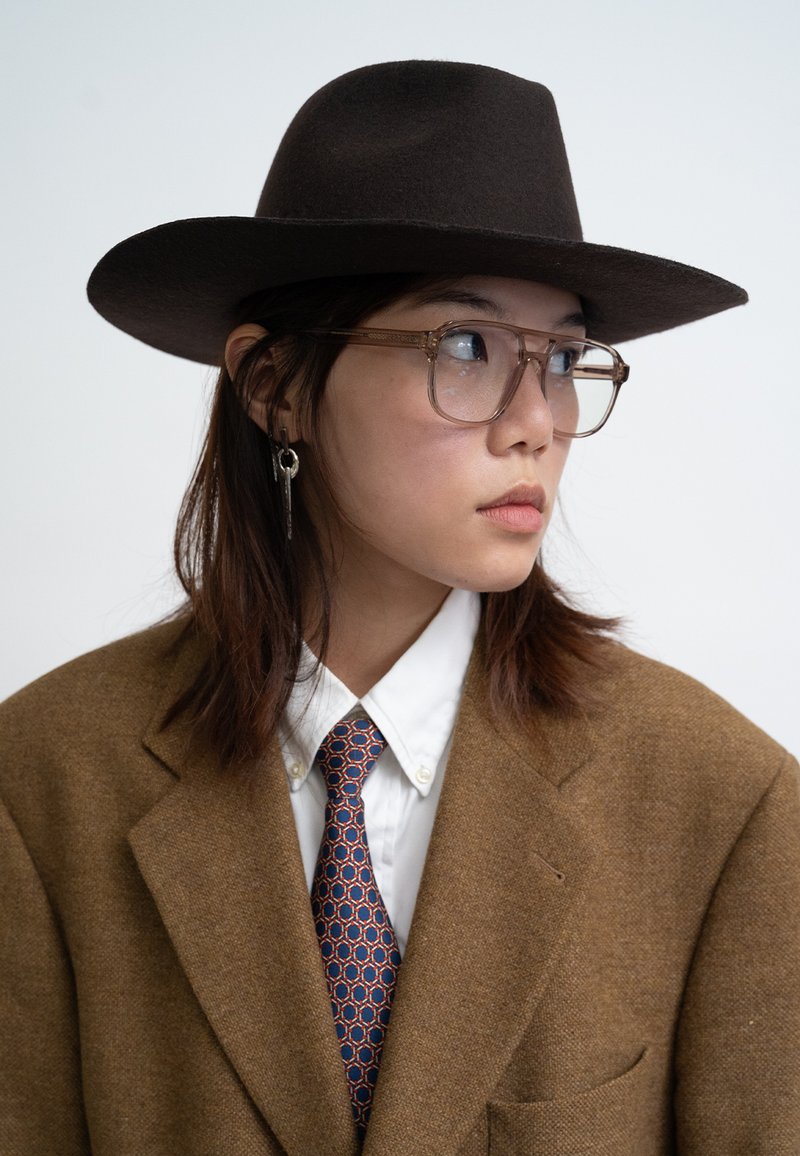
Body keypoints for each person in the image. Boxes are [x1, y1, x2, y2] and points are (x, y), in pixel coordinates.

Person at [1, 59, 798, 1156]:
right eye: (463, 346)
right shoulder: (43, 778)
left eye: (561, 357)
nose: (535, 420)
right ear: (273, 383)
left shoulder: (720, 797)